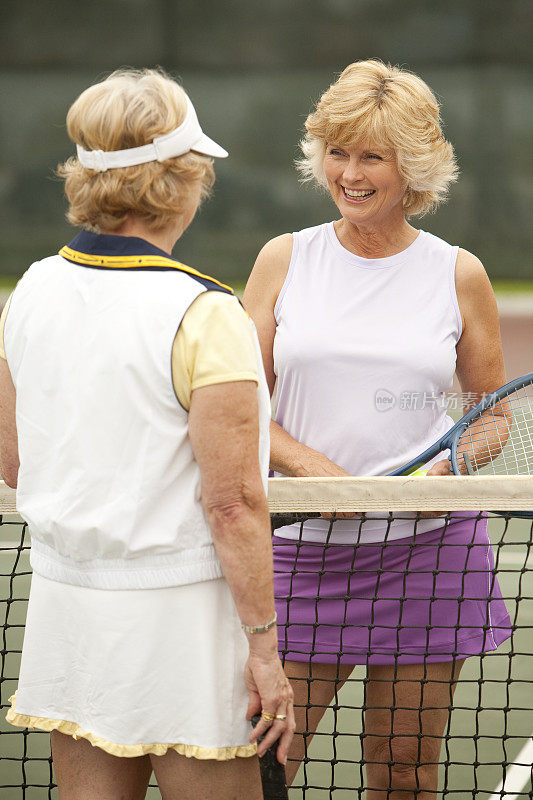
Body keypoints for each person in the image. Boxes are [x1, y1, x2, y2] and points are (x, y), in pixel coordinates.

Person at [0, 68, 294, 800]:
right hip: (183, 629)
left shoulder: (29, 288)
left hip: (70, 610)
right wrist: (264, 652)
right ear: (183, 178)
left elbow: (14, 459)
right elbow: (233, 506)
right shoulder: (206, 313)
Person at [243, 59, 512, 799]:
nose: (350, 174)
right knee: (263, 770)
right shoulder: (283, 260)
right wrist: (309, 469)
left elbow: (489, 417)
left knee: (404, 773)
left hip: (427, 559)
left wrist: (439, 475)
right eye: (337, 152)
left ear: (413, 165)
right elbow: (234, 404)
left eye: (372, 156)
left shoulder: (458, 273)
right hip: (294, 558)